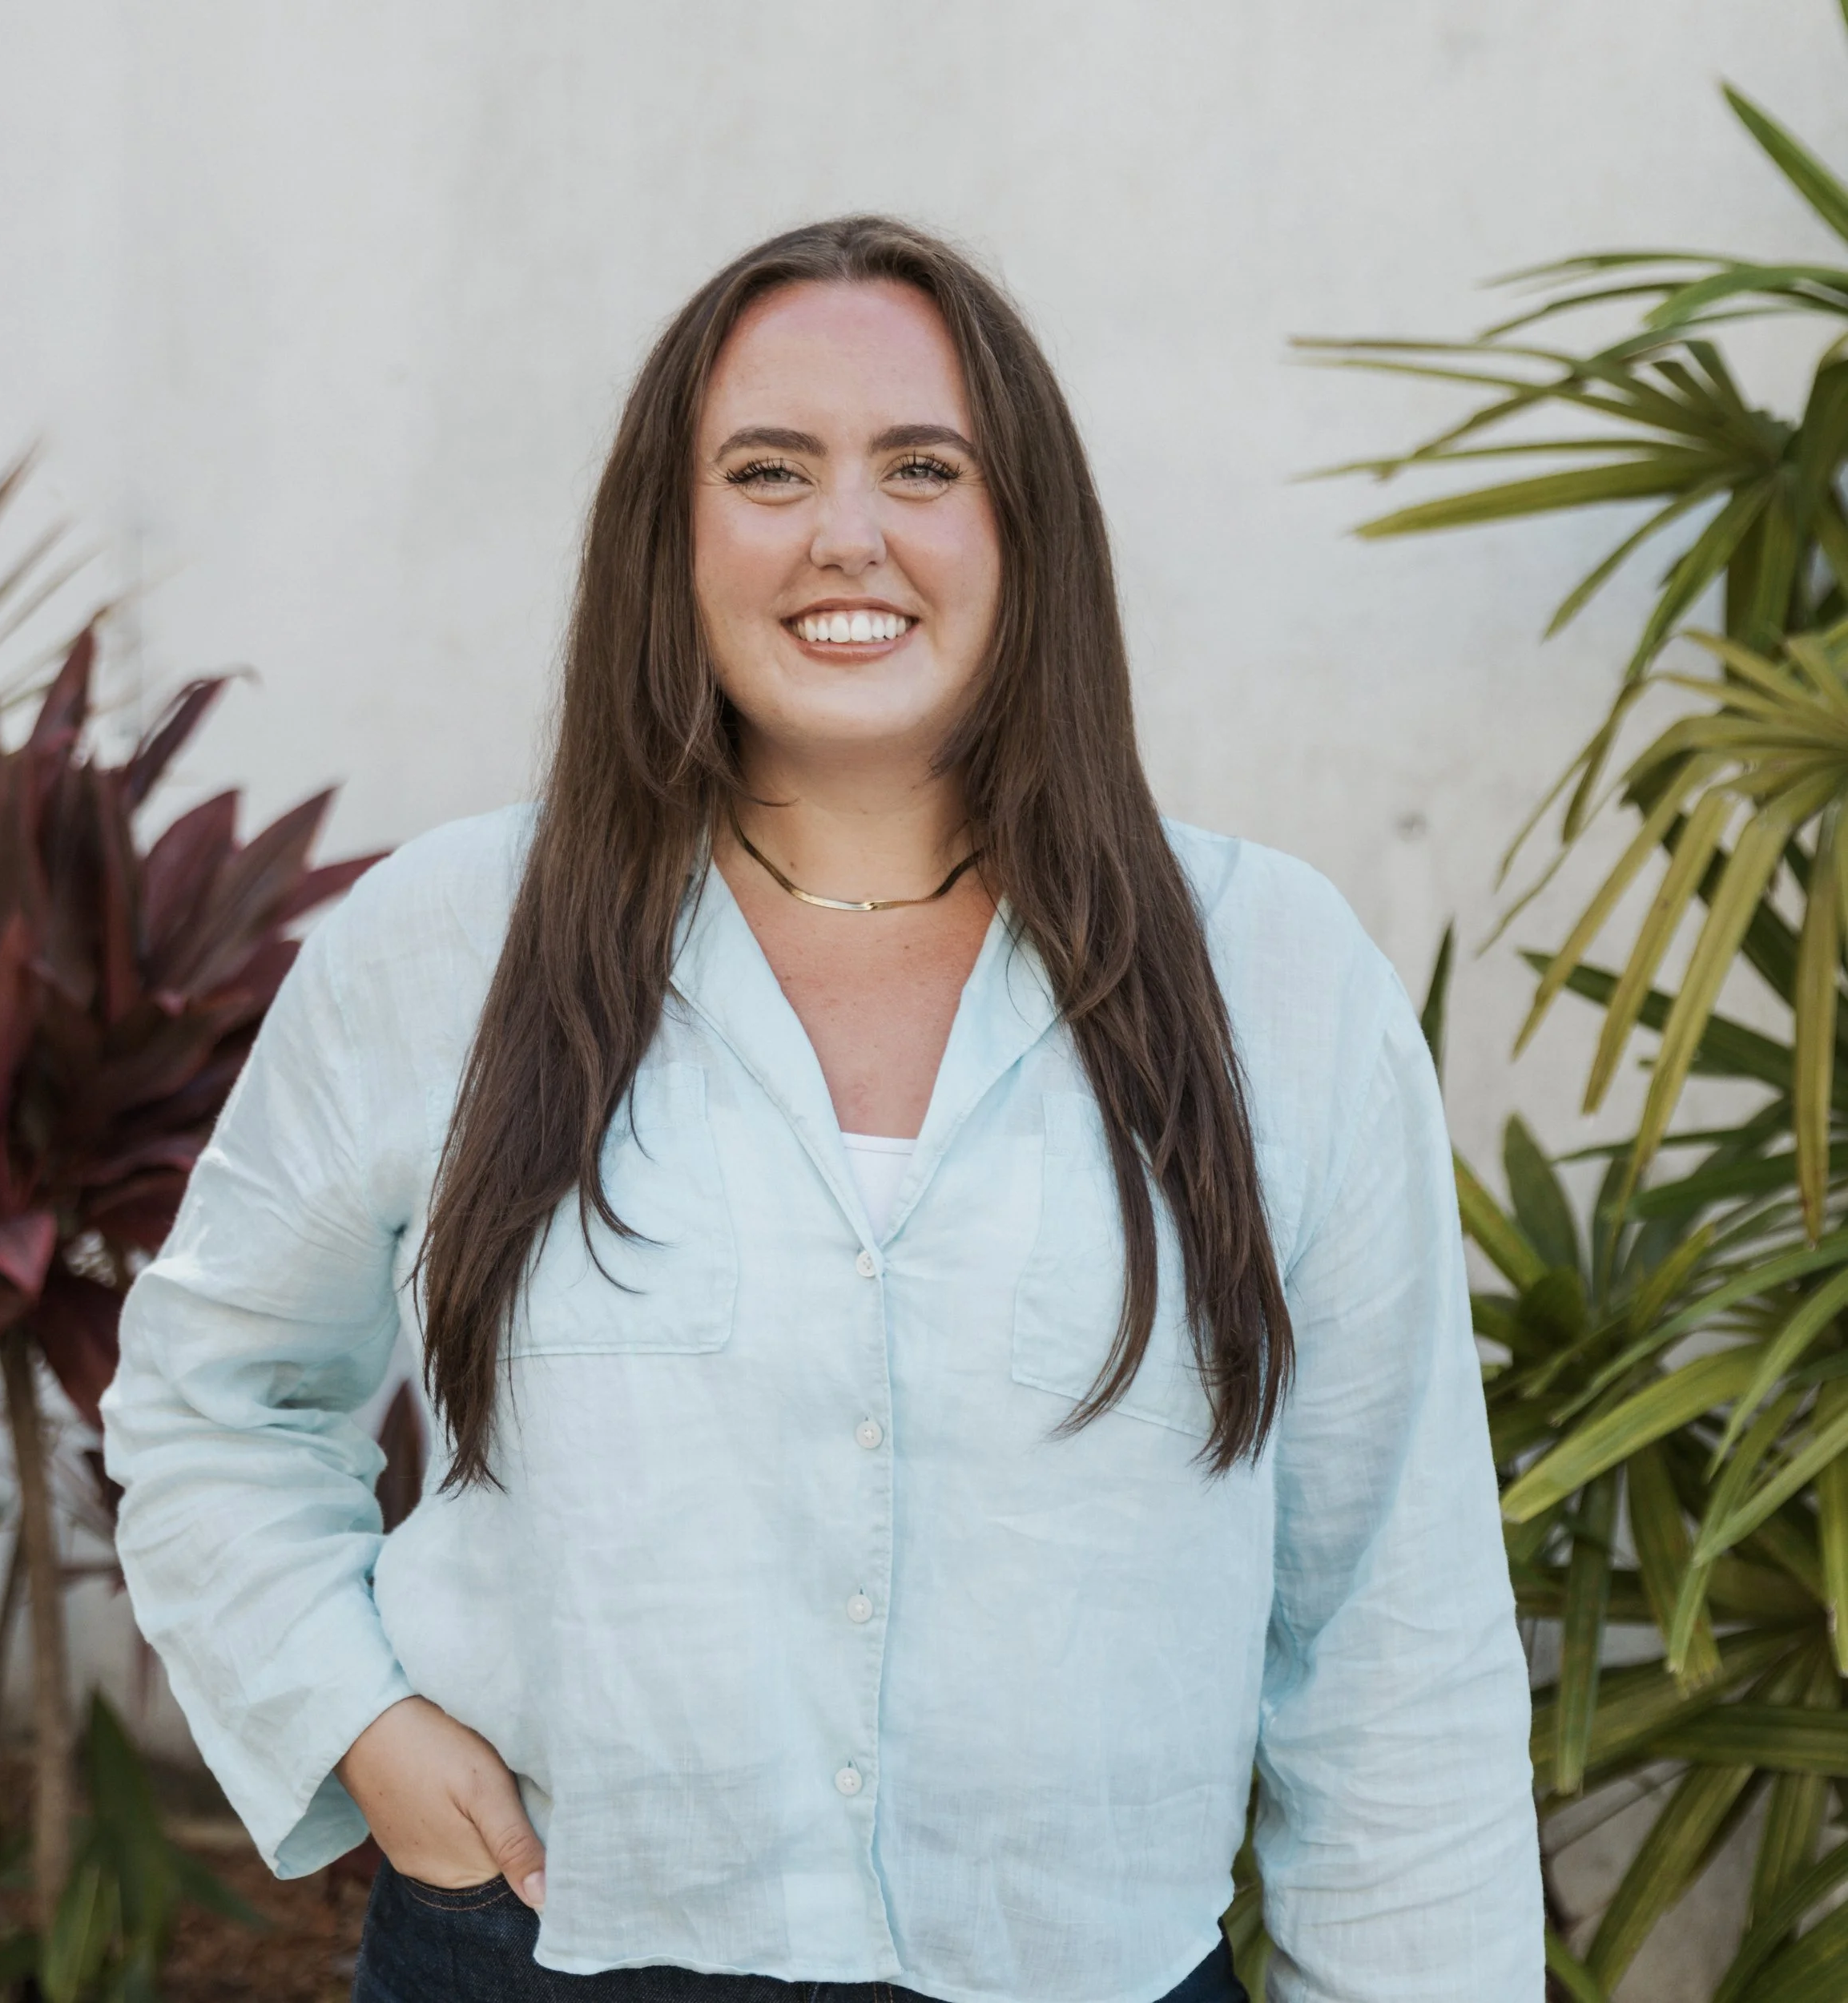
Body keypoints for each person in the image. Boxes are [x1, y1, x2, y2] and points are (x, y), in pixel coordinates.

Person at [101, 215, 1542, 2003]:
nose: (843, 534)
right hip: (540, 1947)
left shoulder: (1277, 975)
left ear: (1023, 531)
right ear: (669, 538)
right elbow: (210, 1394)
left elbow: (1389, 1625)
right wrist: (361, 1719)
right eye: (766, 469)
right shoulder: (445, 943)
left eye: (921, 467)